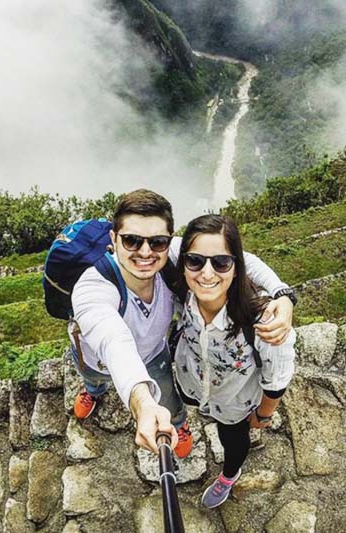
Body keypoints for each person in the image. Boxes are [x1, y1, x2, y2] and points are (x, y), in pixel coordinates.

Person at [69, 190, 295, 459]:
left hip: (154, 356)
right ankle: (93, 392)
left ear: (169, 241)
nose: (145, 252)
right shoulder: (91, 287)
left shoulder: (175, 257)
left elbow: (237, 258)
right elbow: (113, 341)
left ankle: (178, 425)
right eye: (131, 241)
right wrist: (142, 403)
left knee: (167, 398)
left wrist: (282, 294)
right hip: (96, 358)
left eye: (157, 242)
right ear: (113, 239)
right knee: (94, 379)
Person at [171, 214, 296, 508]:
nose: (207, 273)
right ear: (184, 262)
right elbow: (149, 243)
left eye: (221, 263)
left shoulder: (263, 320)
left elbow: (277, 379)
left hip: (234, 402)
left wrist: (263, 416)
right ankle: (183, 426)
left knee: (235, 441)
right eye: (195, 262)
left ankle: (229, 476)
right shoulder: (182, 286)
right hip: (190, 379)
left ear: (236, 267)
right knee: (184, 403)